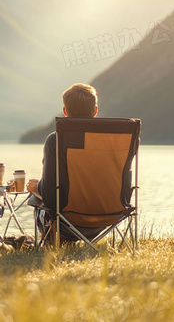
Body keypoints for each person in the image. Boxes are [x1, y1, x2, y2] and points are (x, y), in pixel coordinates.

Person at [26, 83, 104, 242]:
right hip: (106, 218)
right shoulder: (109, 140)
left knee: (36, 197)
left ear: (65, 111)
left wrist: (37, 186)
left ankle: (53, 240)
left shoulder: (55, 140)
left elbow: (48, 191)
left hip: (67, 222)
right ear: (95, 111)